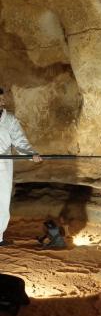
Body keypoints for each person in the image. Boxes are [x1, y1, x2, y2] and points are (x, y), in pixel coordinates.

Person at [0, 88, 42, 246]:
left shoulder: (8, 119)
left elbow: (19, 140)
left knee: (2, 200)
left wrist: (31, 154)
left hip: (2, 164)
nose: (3, 102)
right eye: (0, 99)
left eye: (3, 99)